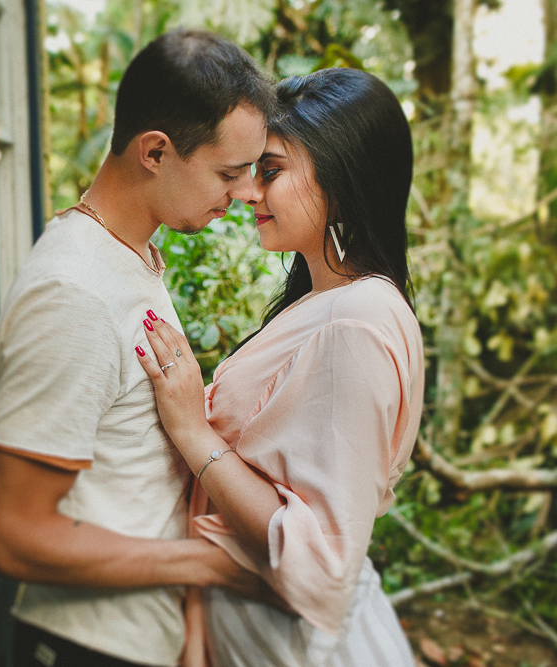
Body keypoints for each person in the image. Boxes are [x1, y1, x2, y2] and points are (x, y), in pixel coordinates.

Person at [0, 30, 279, 667]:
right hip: (87, 645)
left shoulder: (129, 255)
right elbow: (15, 536)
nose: (246, 193)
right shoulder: (73, 294)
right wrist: (209, 566)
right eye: (229, 173)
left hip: (144, 635)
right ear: (155, 152)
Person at [135, 67, 422, 666]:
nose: (248, 193)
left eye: (270, 171)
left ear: (342, 178)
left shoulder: (356, 320)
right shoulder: (334, 303)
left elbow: (321, 564)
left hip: (301, 646)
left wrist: (193, 431)